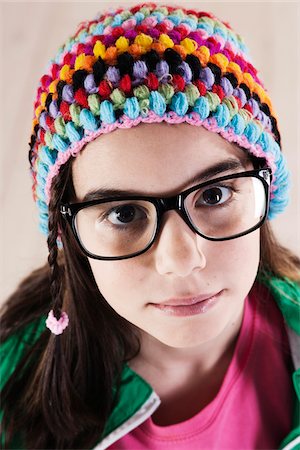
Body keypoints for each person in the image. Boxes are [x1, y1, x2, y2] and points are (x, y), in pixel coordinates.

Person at [1, 3, 299, 449]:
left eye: (213, 195)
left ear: (265, 187)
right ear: (70, 235)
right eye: (124, 214)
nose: (181, 260)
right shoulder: (14, 390)